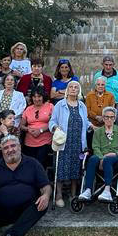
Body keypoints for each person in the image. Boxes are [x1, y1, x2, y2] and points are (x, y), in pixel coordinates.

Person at [49, 79, 90, 207]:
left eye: (76, 87)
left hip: (78, 142)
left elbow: (85, 121)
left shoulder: (82, 105)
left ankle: (73, 194)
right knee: (60, 168)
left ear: (79, 91)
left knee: (75, 168)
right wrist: (55, 128)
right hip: (64, 142)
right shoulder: (60, 104)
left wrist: (91, 126)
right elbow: (52, 121)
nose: (73, 89)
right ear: (67, 90)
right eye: (71, 87)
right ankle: (59, 195)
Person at [79, 106, 118, 202]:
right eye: (106, 117)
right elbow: (95, 147)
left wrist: (114, 154)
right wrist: (101, 158)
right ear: (103, 118)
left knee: (108, 159)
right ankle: (88, 190)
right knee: (92, 159)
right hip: (100, 154)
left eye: (111, 117)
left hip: (115, 156)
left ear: (115, 118)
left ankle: (107, 191)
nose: (109, 119)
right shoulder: (98, 132)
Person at [20, 87, 53, 170]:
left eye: (39, 96)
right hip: (29, 142)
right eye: (34, 97)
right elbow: (21, 125)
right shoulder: (28, 109)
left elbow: (54, 123)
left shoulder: (50, 106)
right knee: (29, 165)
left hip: (45, 141)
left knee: (40, 165)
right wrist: (28, 129)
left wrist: (41, 130)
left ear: (43, 97)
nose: (36, 99)